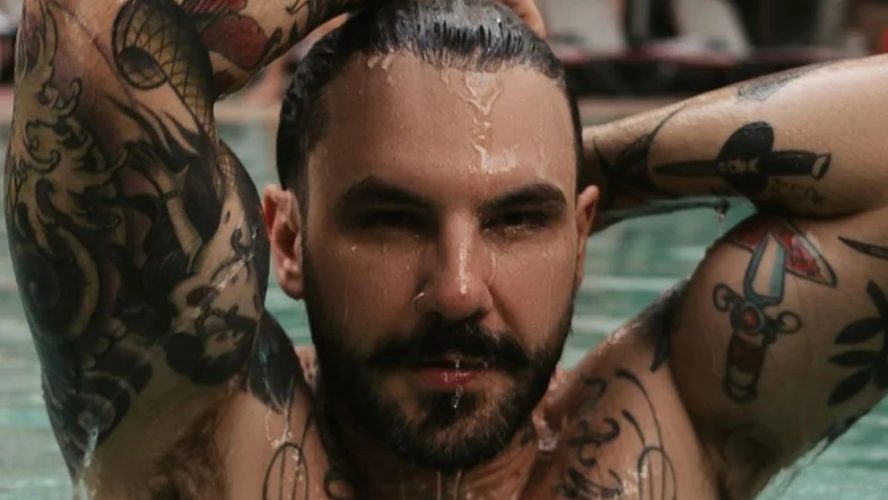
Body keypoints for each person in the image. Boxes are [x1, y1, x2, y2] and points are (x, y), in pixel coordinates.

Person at [6, 0, 888, 498]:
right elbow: (94, 45)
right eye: (391, 220)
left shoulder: (659, 441)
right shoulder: (200, 435)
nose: (460, 290)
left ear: (580, 237)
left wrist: (593, 166)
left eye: (519, 220)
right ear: (288, 242)